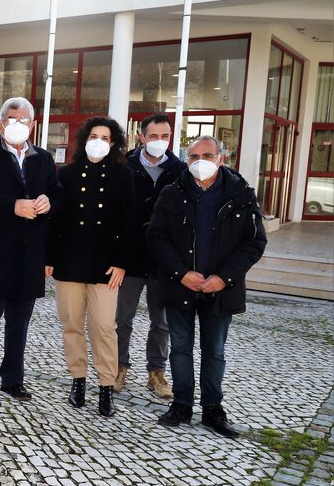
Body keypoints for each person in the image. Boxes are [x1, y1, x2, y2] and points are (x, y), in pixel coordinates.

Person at [148, 136, 266, 438]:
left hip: (220, 290)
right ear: (186, 160)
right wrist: (180, 273)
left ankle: (213, 408)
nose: (200, 161)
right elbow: (156, 237)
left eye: (207, 155)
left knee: (214, 352)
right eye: (193, 156)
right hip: (180, 286)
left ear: (221, 158)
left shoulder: (241, 193)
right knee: (180, 349)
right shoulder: (172, 192)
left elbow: (254, 242)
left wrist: (225, 277)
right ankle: (182, 404)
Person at [0, 97, 63, 402]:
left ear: (33, 125)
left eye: (24, 120)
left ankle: (13, 379)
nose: (18, 125)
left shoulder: (43, 159)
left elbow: (58, 195)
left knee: (20, 321)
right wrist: (11, 206)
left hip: (29, 254)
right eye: (12, 119)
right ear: (0, 122)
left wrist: (49, 202)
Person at [46, 116, 135, 417]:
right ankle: (78, 381)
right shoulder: (67, 173)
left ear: (113, 143)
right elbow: (54, 220)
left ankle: (106, 387)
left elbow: (129, 224)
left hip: (105, 266)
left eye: (105, 137)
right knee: (71, 324)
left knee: (103, 327)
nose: (98, 141)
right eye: (93, 135)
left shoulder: (123, 175)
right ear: (84, 139)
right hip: (69, 262)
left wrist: (122, 263)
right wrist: (48, 258)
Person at [114, 113, 186, 397]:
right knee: (122, 318)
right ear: (142, 137)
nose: (159, 142)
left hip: (164, 260)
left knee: (162, 321)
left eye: (164, 136)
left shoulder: (181, 170)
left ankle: (156, 372)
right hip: (129, 258)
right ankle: (118, 367)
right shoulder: (124, 166)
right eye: (153, 136)